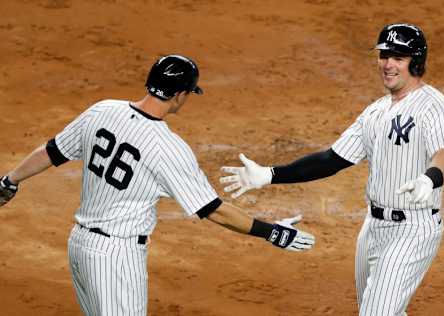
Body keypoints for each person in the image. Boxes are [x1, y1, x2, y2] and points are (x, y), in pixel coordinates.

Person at [0, 54, 315, 316]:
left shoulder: (102, 110)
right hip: (116, 257)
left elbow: (51, 151)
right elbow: (213, 211)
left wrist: (9, 181)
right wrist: (272, 231)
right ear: (180, 95)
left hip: (80, 246)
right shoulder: (168, 148)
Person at [220, 23, 444, 316]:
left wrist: (429, 178)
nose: (388, 64)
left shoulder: (434, 106)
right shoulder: (376, 111)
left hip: (413, 229)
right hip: (372, 228)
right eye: (384, 55)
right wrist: (270, 174)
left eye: (398, 57)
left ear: (416, 61)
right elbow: (333, 159)